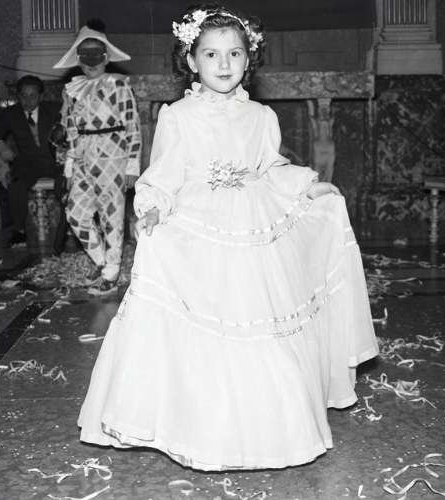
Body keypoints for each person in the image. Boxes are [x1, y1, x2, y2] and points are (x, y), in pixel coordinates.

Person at [77, 4, 378, 470]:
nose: (224, 64)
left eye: (234, 53)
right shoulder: (178, 115)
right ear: (191, 60)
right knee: (208, 324)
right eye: (211, 54)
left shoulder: (260, 115)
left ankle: (273, 427)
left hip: (256, 227)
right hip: (200, 225)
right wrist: (152, 206)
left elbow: (271, 167)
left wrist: (308, 185)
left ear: (248, 59)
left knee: (263, 324)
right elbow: (166, 172)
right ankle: (205, 427)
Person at [54, 22, 142, 295]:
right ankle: (104, 263)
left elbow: (133, 125)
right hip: (82, 157)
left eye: (96, 54)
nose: (91, 61)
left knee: (111, 214)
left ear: (105, 57)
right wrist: (69, 166)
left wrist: (132, 165)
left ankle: (111, 272)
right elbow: (71, 129)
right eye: (85, 55)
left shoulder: (118, 85)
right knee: (75, 213)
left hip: (113, 155)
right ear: (78, 59)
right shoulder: (73, 89)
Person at [0, 75, 61, 245]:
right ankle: (19, 231)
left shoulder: (54, 109)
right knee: (16, 185)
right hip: (28, 164)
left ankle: (66, 230)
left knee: (66, 183)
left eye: (33, 96)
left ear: (41, 96)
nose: (28, 101)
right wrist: (0, 145)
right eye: (23, 96)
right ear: (18, 96)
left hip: (55, 162)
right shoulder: (11, 114)